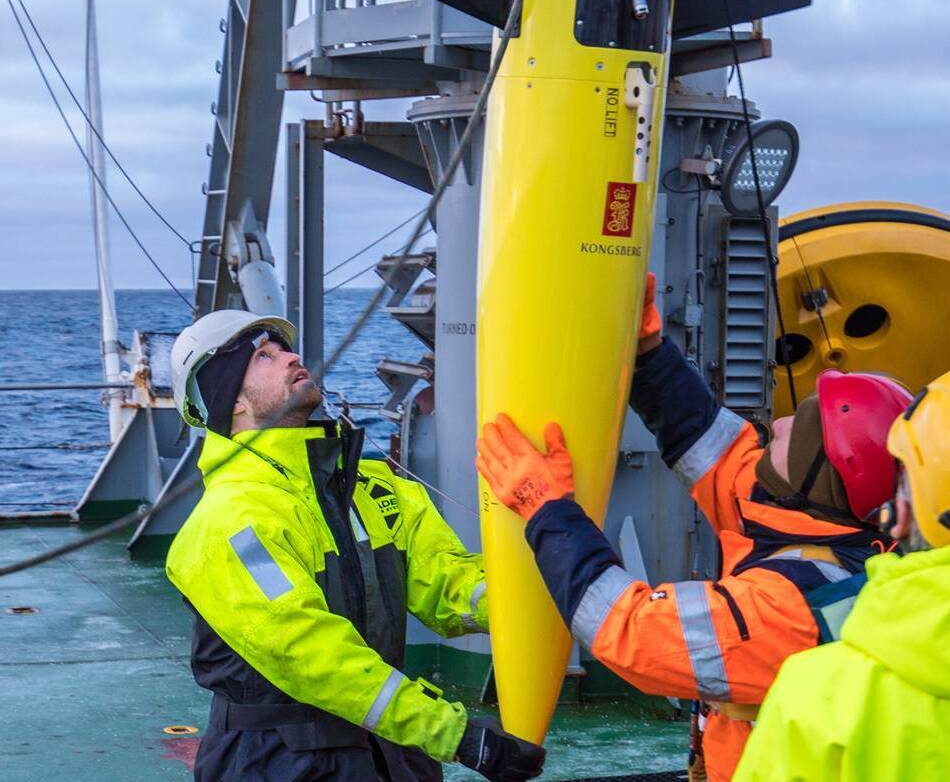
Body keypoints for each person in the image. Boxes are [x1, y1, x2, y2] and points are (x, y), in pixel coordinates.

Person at [476, 274, 912, 782]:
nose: (784, 423)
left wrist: (545, 508)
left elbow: (630, 630)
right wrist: (648, 353)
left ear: (823, 479)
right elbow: (711, 444)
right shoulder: (827, 528)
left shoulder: (793, 607)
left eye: (806, 427)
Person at [166, 309, 544, 782]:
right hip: (278, 763)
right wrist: (454, 733)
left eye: (283, 348)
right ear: (232, 402)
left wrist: (554, 600)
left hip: (387, 754)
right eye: (265, 356)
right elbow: (308, 650)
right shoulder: (229, 522)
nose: (292, 357)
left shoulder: (372, 488)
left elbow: (446, 583)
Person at [733, 369, 950, 781]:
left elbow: (635, 633)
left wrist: (567, 522)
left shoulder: (819, 695)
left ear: (901, 516)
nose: (776, 425)